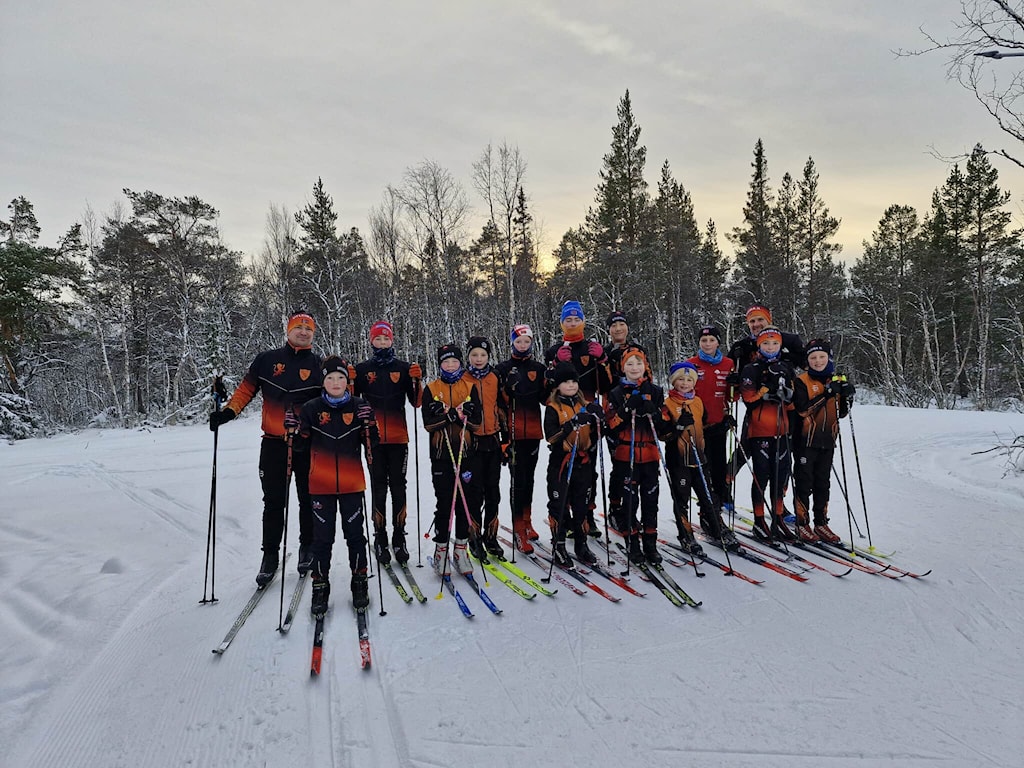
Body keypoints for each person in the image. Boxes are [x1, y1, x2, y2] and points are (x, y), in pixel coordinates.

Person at [209, 310, 323, 586]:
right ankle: (270, 555)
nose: (303, 332)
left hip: (307, 443)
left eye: (308, 329)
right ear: (288, 330)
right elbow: (246, 390)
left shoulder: (319, 364)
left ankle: (307, 547)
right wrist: (227, 412)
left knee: (308, 498)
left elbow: (332, 398)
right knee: (273, 502)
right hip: (273, 443)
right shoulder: (267, 360)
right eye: (298, 328)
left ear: (313, 334)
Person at [293, 356, 377, 615]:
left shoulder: (359, 405)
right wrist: (293, 431)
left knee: (355, 535)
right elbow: (300, 447)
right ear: (323, 381)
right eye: (330, 378)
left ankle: (359, 580)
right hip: (321, 484)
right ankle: (320, 584)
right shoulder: (311, 408)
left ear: (347, 381)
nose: (336, 382)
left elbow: (372, 444)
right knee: (322, 538)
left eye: (341, 378)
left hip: (352, 483)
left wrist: (370, 425)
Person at [353, 320, 422, 567]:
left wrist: (417, 380)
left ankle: (399, 536)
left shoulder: (403, 368)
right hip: (372, 439)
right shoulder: (363, 369)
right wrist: (350, 382)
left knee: (399, 486)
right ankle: (380, 536)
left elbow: (416, 402)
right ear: (371, 341)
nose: (382, 343)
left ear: (392, 340)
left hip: (398, 437)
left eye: (386, 339)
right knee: (378, 486)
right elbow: (352, 402)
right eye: (378, 339)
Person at [659, 361, 740, 554]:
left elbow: (703, 427)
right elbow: (663, 435)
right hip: (679, 460)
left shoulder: (697, 402)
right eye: (680, 379)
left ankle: (717, 528)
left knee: (708, 495)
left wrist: (722, 425)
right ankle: (685, 535)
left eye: (689, 380)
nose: (685, 383)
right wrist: (678, 426)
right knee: (681, 498)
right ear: (673, 381)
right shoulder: (667, 404)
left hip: (699, 458)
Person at [543, 300, 607, 538]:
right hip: (563, 415)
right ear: (562, 323)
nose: (572, 323)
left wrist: (602, 360)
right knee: (564, 471)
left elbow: (606, 385)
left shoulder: (592, 347)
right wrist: (556, 363)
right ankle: (566, 517)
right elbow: (546, 390)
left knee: (588, 471)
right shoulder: (553, 350)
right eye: (568, 320)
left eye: (576, 319)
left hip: (587, 413)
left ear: (583, 321)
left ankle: (587, 515)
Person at [421, 344, 483, 577]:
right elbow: (428, 424)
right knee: (445, 502)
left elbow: (476, 423)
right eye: (445, 362)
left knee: (466, 503)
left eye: (454, 361)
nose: (450, 366)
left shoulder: (469, 387)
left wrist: (464, 413)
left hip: (465, 454)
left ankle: (460, 550)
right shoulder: (431, 388)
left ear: (460, 363)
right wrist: (448, 416)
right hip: (441, 455)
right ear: (440, 364)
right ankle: (441, 551)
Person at [604, 346, 665, 563]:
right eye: (629, 363)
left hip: (649, 454)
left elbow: (663, 428)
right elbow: (610, 426)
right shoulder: (616, 393)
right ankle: (632, 542)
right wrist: (626, 409)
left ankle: (650, 543)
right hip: (626, 454)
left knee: (651, 500)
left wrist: (654, 412)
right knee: (629, 501)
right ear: (623, 368)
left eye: (638, 363)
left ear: (645, 365)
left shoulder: (656, 391)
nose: (634, 367)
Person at [792, 339, 855, 544]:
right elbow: (803, 410)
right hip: (805, 441)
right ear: (807, 360)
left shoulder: (834, 379)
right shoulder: (801, 381)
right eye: (813, 357)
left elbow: (841, 413)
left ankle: (821, 523)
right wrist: (827, 393)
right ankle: (802, 524)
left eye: (822, 357)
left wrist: (847, 396)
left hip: (827, 440)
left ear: (829, 358)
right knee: (804, 483)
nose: (818, 361)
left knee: (823, 483)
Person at [739, 326, 798, 542]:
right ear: (759, 345)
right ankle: (759, 520)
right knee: (761, 476)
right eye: (766, 343)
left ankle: (778, 518)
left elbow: (792, 402)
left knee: (780, 477)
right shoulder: (751, 368)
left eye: (774, 343)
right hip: (760, 431)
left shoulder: (786, 367)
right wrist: (766, 390)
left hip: (782, 430)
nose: (770, 347)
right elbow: (748, 399)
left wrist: (786, 395)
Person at [494, 324, 546, 553]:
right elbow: (498, 404)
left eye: (526, 341)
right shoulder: (503, 368)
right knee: (518, 481)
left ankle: (527, 521)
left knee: (530, 479)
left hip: (533, 432)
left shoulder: (538, 368)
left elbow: (545, 398)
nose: (522, 345)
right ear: (512, 343)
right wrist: (507, 389)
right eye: (518, 341)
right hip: (513, 433)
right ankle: (518, 529)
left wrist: (551, 380)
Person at [543, 363, 601, 566]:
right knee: (559, 505)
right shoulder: (553, 407)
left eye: (574, 381)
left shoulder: (584, 404)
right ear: (558, 385)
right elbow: (551, 437)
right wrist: (572, 424)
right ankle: (559, 545)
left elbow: (595, 434)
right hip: (561, 462)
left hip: (583, 462)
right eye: (566, 382)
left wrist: (598, 420)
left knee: (581, 505)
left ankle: (581, 544)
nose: (571, 385)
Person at [686, 325, 737, 511]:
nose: (707, 344)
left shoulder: (728, 364)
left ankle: (722, 496)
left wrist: (735, 385)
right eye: (704, 340)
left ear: (718, 342)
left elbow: (732, 397)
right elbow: (684, 390)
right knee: (702, 463)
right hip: (698, 424)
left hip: (718, 421)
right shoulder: (691, 363)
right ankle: (706, 498)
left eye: (711, 340)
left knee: (719, 464)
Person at [464, 335, 506, 560]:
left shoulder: (495, 377)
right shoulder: (462, 378)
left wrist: (506, 439)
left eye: (483, 355)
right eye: (474, 355)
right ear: (468, 356)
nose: (479, 359)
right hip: (473, 442)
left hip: (493, 440)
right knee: (474, 492)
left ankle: (491, 536)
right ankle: (474, 537)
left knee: (493, 491)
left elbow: (502, 408)